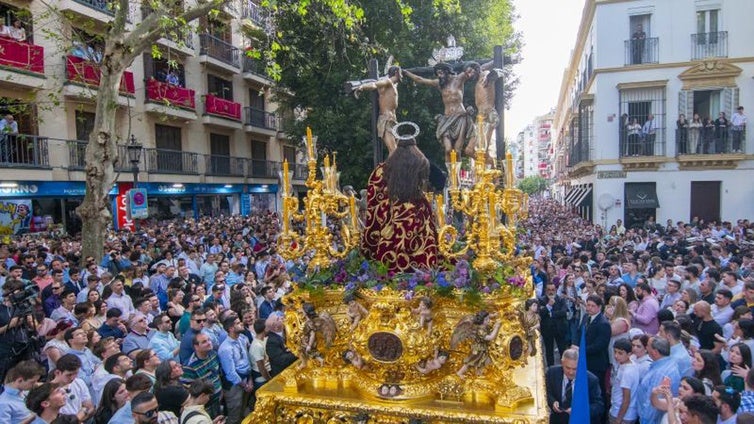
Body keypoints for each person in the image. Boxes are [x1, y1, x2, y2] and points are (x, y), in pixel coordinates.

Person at [360, 128, 438, 273]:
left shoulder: (383, 169)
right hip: (417, 213)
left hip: (393, 214)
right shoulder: (422, 162)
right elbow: (437, 181)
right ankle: (424, 278)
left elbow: (375, 197)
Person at [403, 63, 476, 161]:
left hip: (460, 117)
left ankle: (455, 175)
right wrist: (406, 72)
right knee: (448, 149)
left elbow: (474, 69)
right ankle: (450, 173)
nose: (439, 76)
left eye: (441, 73)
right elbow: (420, 80)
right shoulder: (439, 84)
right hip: (446, 119)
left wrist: (482, 67)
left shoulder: (459, 79)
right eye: (438, 74)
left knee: (457, 150)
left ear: (447, 71)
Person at [544, 348, 603, 424]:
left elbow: (599, 406)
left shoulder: (591, 380)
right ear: (562, 363)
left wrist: (579, 411)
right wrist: (552, 402)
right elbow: (546, 392)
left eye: (575, 369)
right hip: (558, 419)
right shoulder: (552, 373)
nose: (571, 372)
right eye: (567, 368)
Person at [353, 66, 402, 154]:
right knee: (393, 149)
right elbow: (374, 84)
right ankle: (394, 168)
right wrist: (362, 87)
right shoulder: (388, 82)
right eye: (401, 73)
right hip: (386, 119)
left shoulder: (393, 84)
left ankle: (394, 167)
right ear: (396, 73)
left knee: (397, 149)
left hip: (393, 121)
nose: (402, 75)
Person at [637, 337, 681, 424]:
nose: (646, 348)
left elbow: (652, 405)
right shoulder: (664, 365)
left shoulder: (661, 373)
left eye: (648, 346)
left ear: (655, 352)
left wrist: (645, 421)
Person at [575, 294, 611, 401]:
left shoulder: (603, 323)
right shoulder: (586, 317)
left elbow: (600, 345)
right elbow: (579, 332)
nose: (589, 308)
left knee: (598, 390)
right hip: (585, 359)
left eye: (592, 306)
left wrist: (581, 350)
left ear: (599, 307)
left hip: (597, 363)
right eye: (588, 305)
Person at [217, 317, 252, 424]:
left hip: (246, 379)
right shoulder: (225, 348)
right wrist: (245, 385)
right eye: (237, 323)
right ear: (231, 328)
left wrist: (250, 379)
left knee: (242, 410)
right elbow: (230, 372)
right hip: (234, 385)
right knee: (234, 415)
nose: (241, 324)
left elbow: (247, 359)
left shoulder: (242, 339)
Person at [609, 339, 640, 424]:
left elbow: (626, 399)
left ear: (629, 354)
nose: (616, 356)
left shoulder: (627, 372)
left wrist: (618, 420)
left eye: (620, 353)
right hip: (624, 412)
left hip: (621, 415)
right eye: (615, 352)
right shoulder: (631, 364)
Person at [539, 282, 568, 367]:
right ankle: (550, 368)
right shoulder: (541, 300)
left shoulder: (561, 299)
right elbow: (541, 313)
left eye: (552, 290)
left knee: (562, 350)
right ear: (545, 290)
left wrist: (551, 314)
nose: (551, 292)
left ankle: (565, 367)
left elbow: (563, 312)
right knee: (549, 351)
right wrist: (548, 306)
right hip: (547, 330)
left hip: (560, 329)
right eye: (548, 290)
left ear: (555, 290)